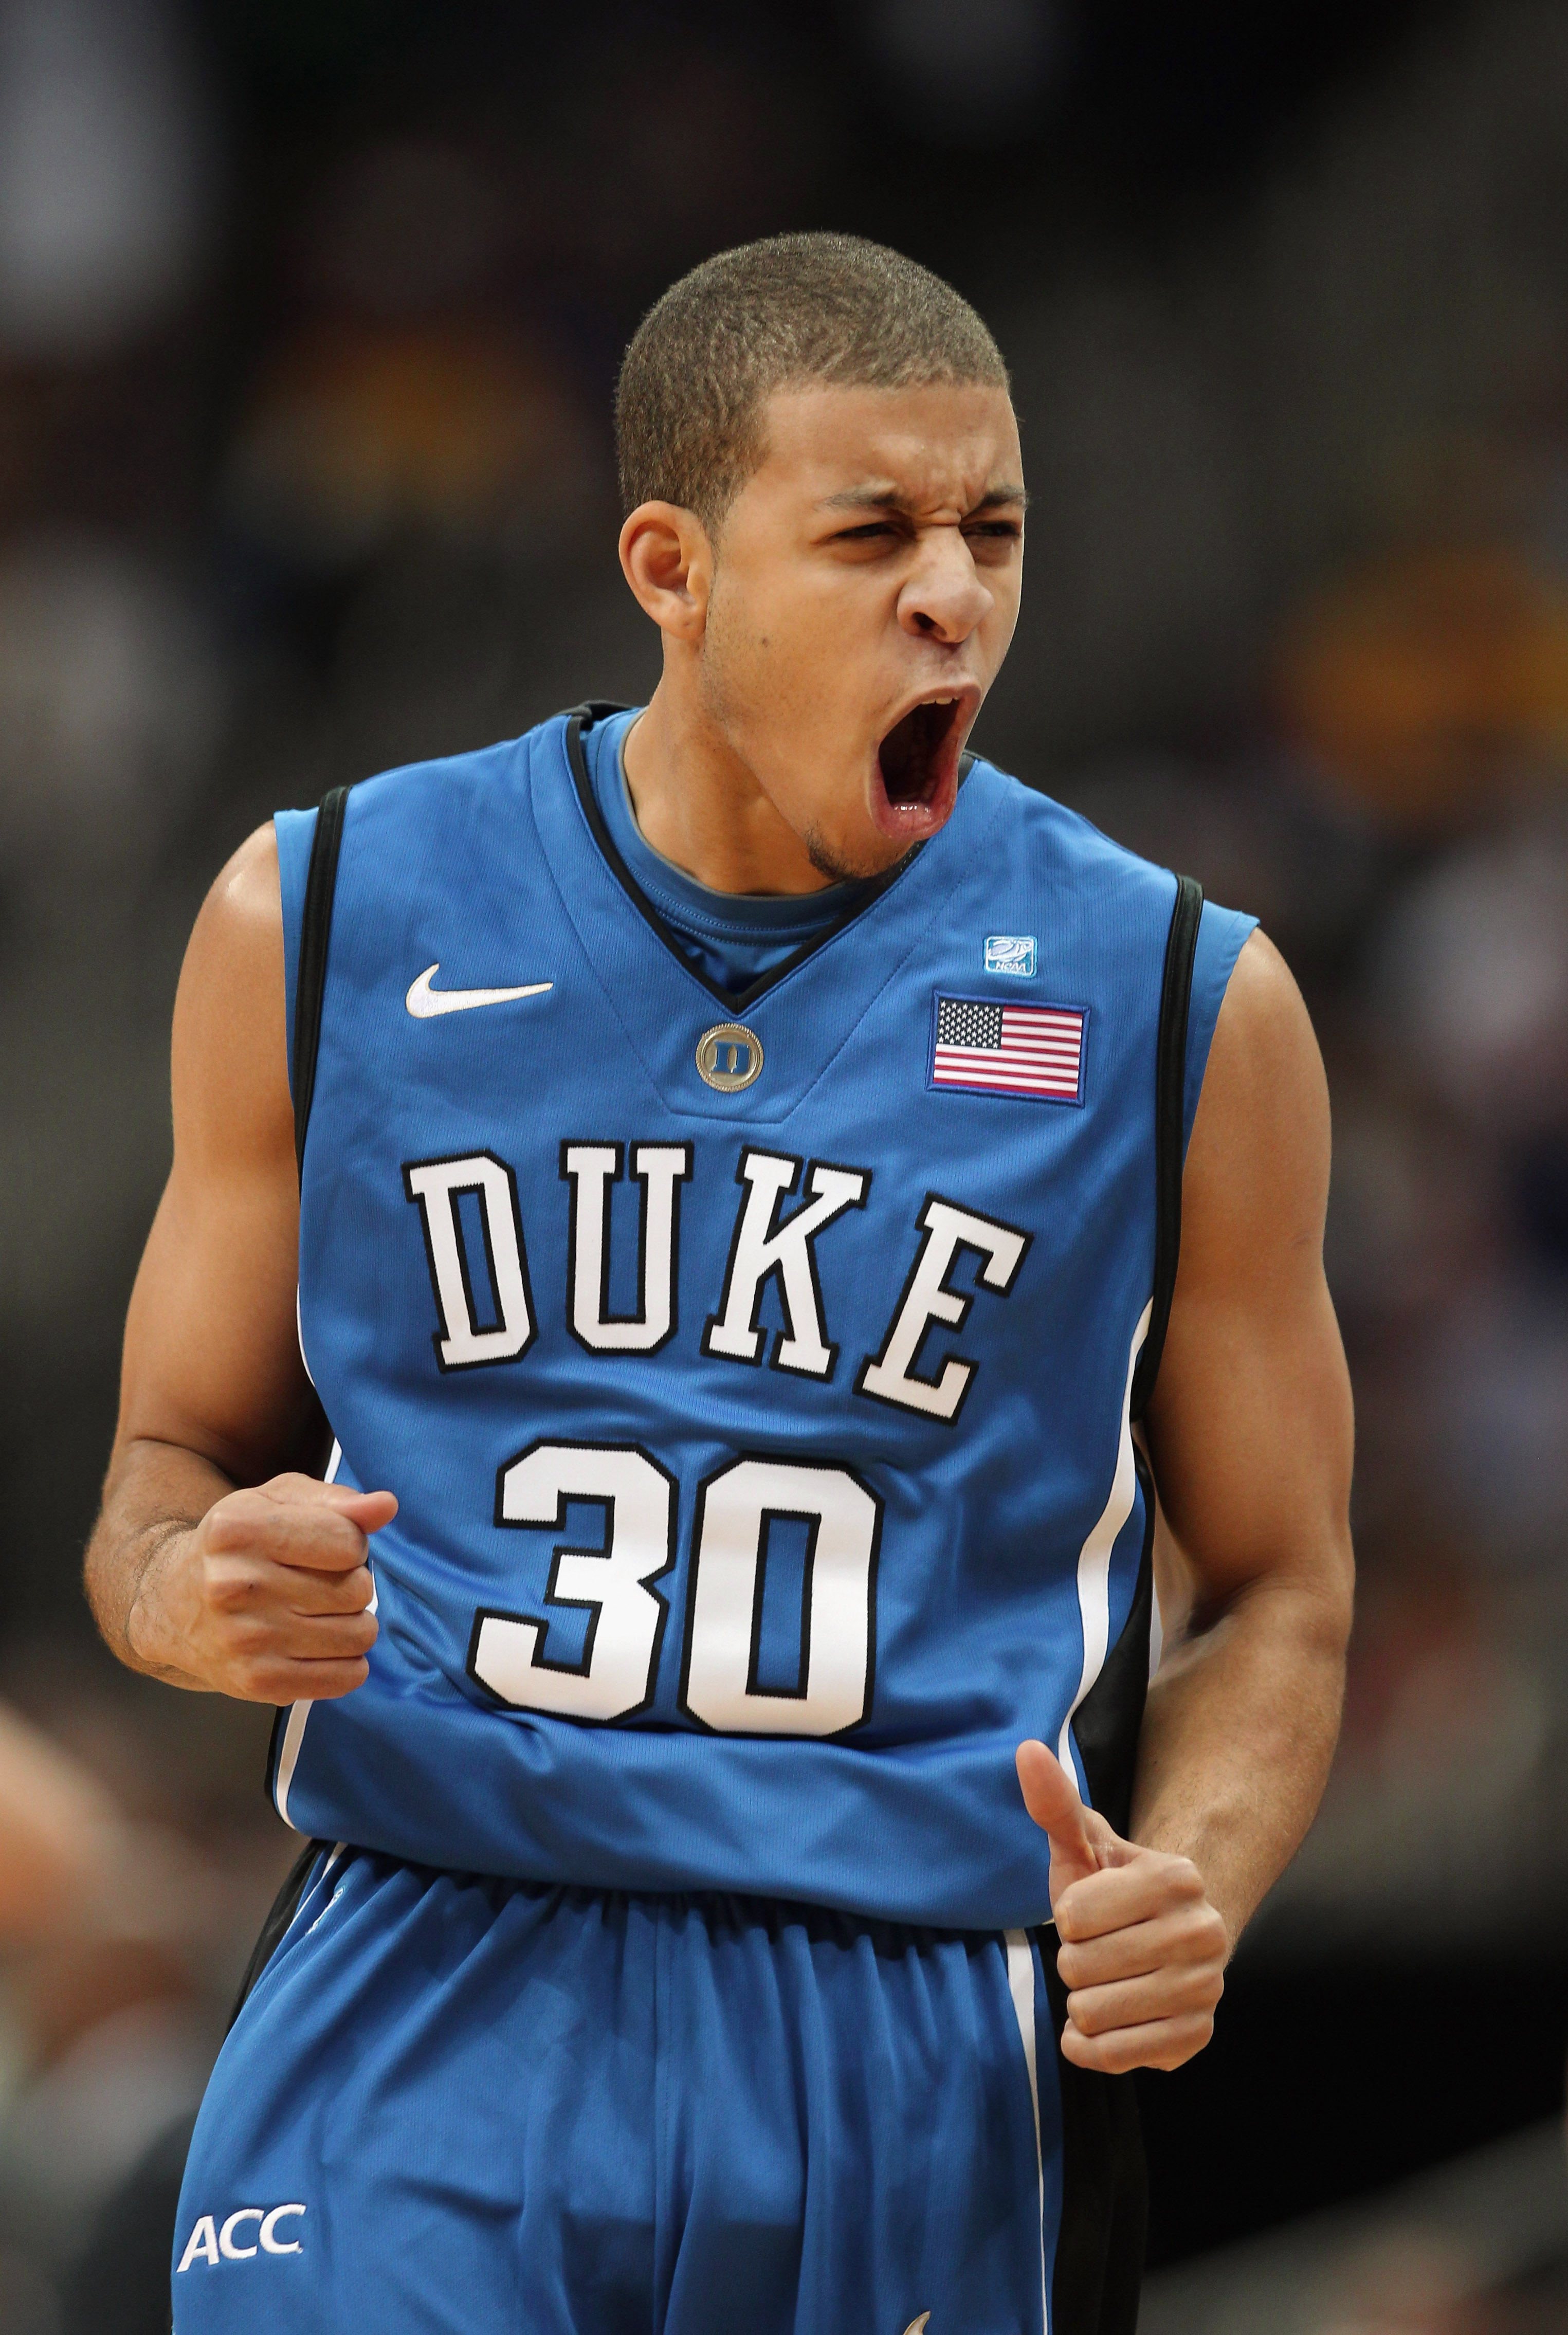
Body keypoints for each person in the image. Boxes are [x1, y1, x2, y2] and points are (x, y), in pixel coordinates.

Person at [84, 233, 1354, 2334]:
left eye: (992, 529)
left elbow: (1277, 1576)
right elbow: (163, 1470)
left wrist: (1194, 1866)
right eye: (872, 530)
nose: (953, 590)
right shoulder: (321, 912)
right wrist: (189, 1594)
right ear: (670, 565)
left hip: (913, 2011)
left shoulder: (1172, 997)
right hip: (433, 1964)